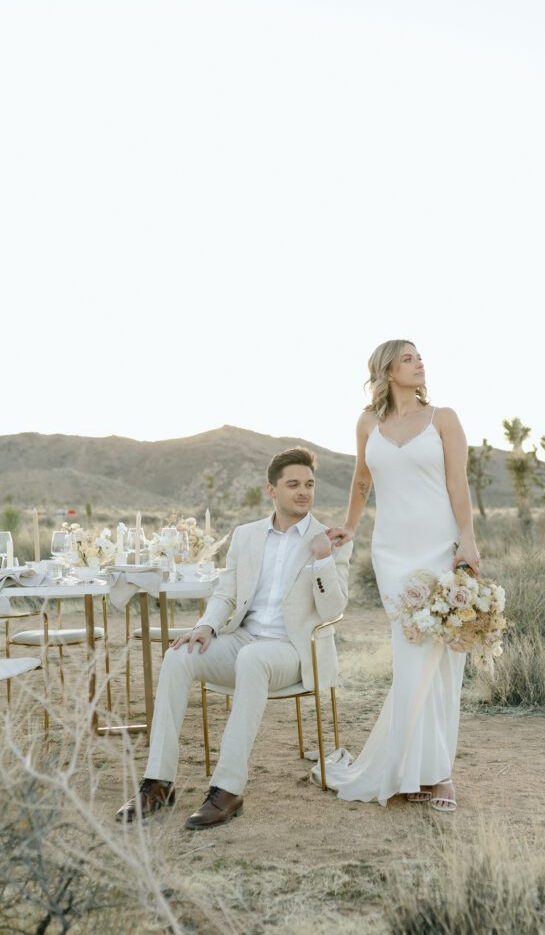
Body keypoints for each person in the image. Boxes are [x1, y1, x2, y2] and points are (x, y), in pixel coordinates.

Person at [116, 446, 352, 829]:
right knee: (179, 655)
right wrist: (206, 626)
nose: (303, 492)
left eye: (308, 484)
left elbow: (333, 611)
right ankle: (158, 783)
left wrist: (323, 558)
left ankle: (227, 789)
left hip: (290, 650)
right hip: (244, 639)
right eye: (293, 484)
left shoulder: (332, 539)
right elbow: (226, 593)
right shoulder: (246, 536)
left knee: (252, 659)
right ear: (271, 489)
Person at [323, 339, 480, 811]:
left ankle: (438, 773)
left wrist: (467, 539)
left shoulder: (444, 419)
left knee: (443, 660)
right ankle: (412, 770)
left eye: (420, 357)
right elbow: (361, 480)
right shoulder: (367, 422)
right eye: (408, 357)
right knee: (411, 653)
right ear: (388, 369)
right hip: (392, 551)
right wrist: (350, 527)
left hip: (438, 546)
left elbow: (458, 482)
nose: (419, 363)